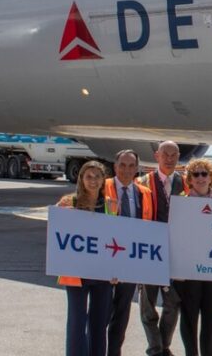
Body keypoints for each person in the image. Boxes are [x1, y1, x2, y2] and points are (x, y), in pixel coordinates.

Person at [57, 161, 115, 356]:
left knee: (99, 323)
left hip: (102, 272)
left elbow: (117, 239)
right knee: (77, 321)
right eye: (89, 176)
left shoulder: (110, 205)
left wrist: (117, 269)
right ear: (81, 179)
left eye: (97, 176)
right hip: (76, 273)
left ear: (103, 180)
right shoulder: (68, 202)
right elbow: (57, 235)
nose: (93, 180)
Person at [173, 158, 212, 356]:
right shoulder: (181, 203)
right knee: (188, 316)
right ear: (190, 179)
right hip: (189, 270)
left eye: (205, 173)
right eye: (196, 174)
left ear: (211, 177)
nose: (201, 178)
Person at [104, 150, 154, 356]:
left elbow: (149, 225)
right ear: (115, 166)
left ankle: (114, 352)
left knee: (122, 312)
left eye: (131, 166)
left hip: (130, 260)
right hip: (105, 258)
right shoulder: (103, 187)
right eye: (122, 165)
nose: (127, 170)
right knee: (102, 310)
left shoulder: (144, 193)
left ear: (137, 168)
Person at [138, 141, 184, 356]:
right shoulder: (143, 182)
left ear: (178, 157)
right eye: (165, 154)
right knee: (147, 306)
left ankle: (163, 345)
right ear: (157, 156)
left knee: (172, 303)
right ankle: (156, 349)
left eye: (174, 154)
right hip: (148, 252)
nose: (169, 158)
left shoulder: (185, 183)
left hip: (173, 253)